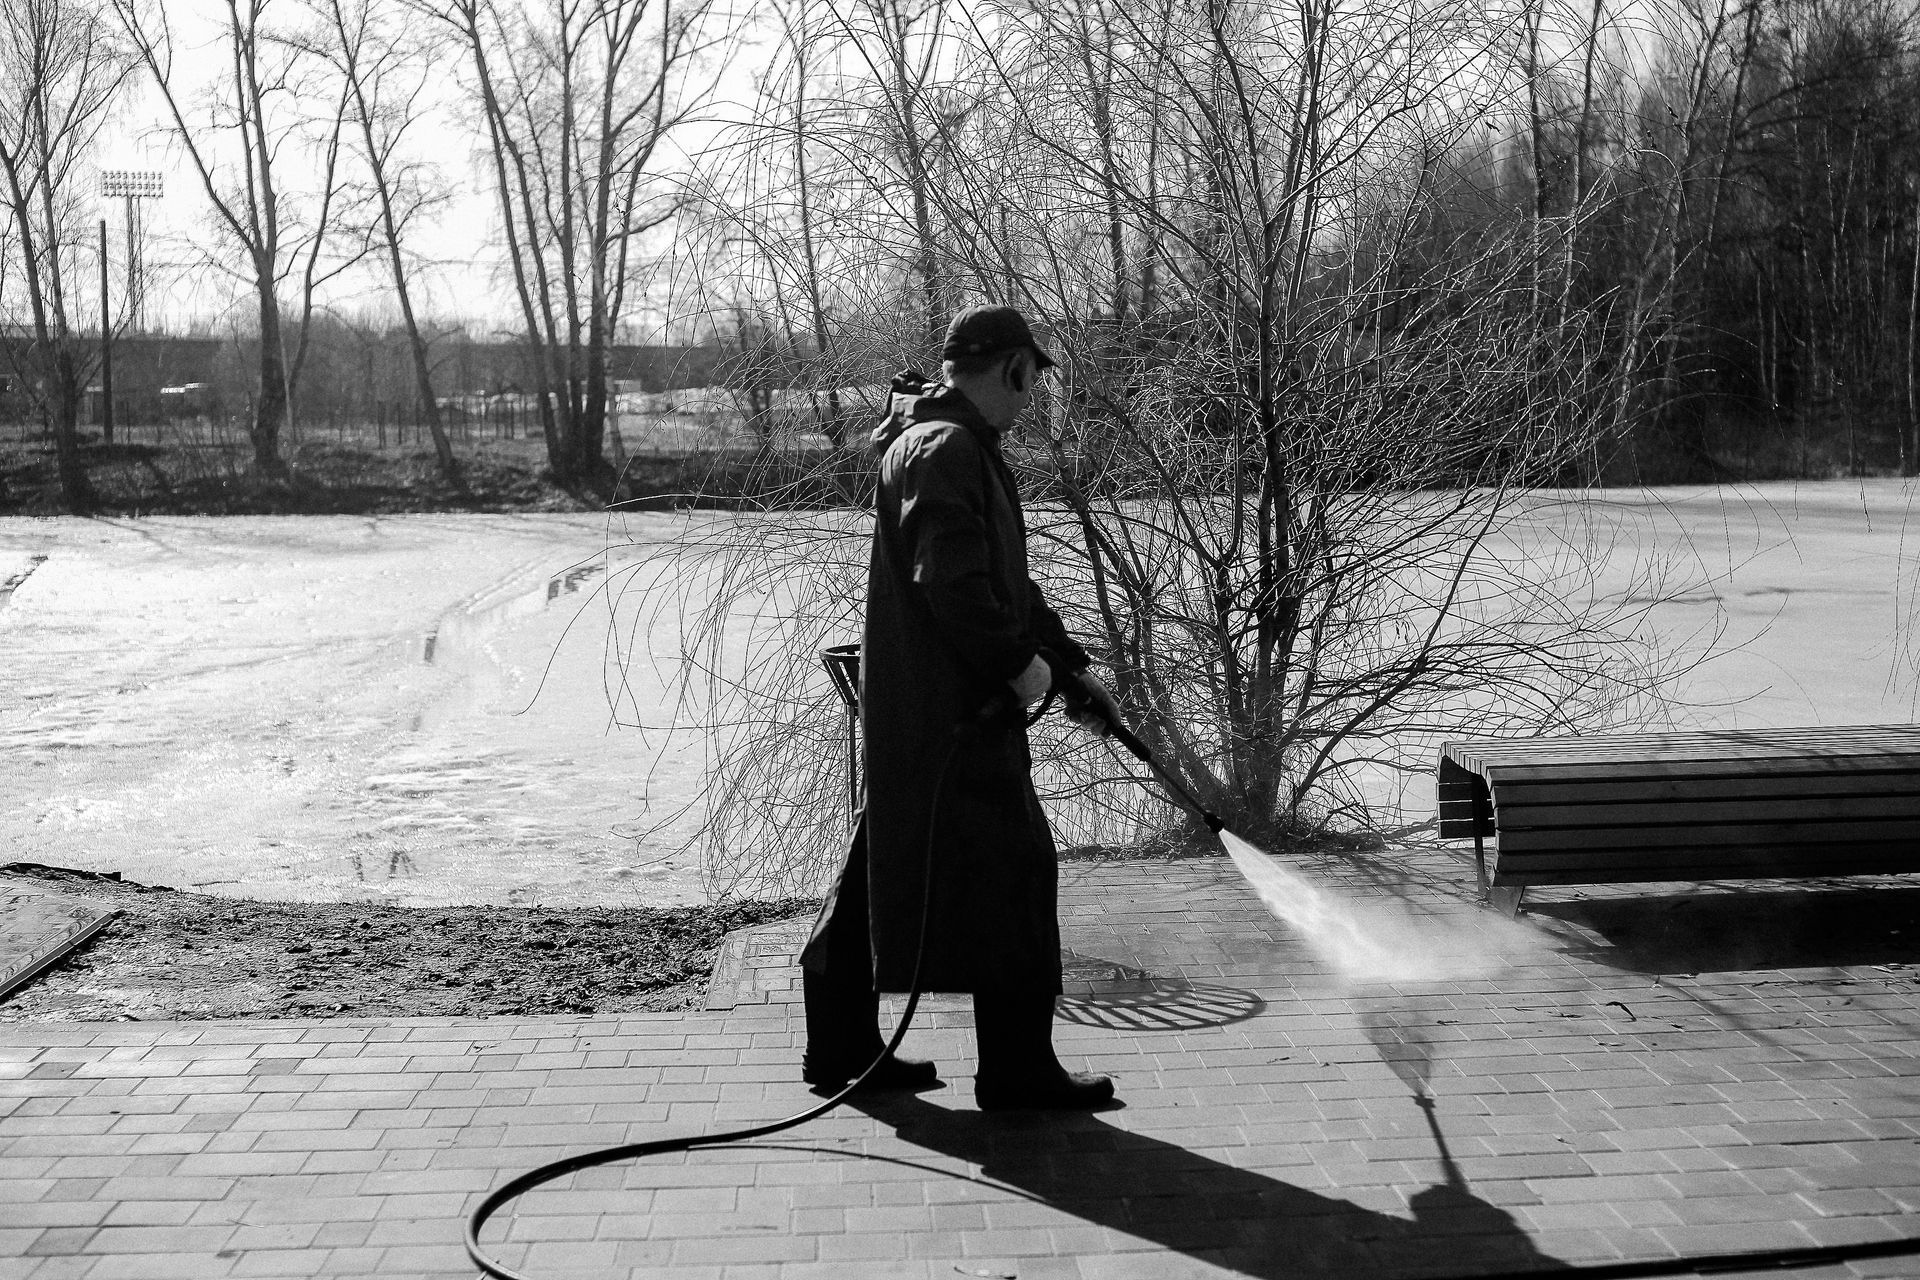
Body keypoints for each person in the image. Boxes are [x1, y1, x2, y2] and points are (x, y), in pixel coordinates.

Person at [798, 304, 1125, 1111]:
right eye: (1032, 380)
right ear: (1014, 368)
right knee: (1017, 870)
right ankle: (1017, 1073)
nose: (1032, 398)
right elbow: (951, 583)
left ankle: (839, 1042)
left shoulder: (932, 440)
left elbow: (1001, 583)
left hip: (919, 710)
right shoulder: (949, 450)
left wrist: (1069, 668)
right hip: (953, 714)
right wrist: (1018, 667)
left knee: (885, 857)